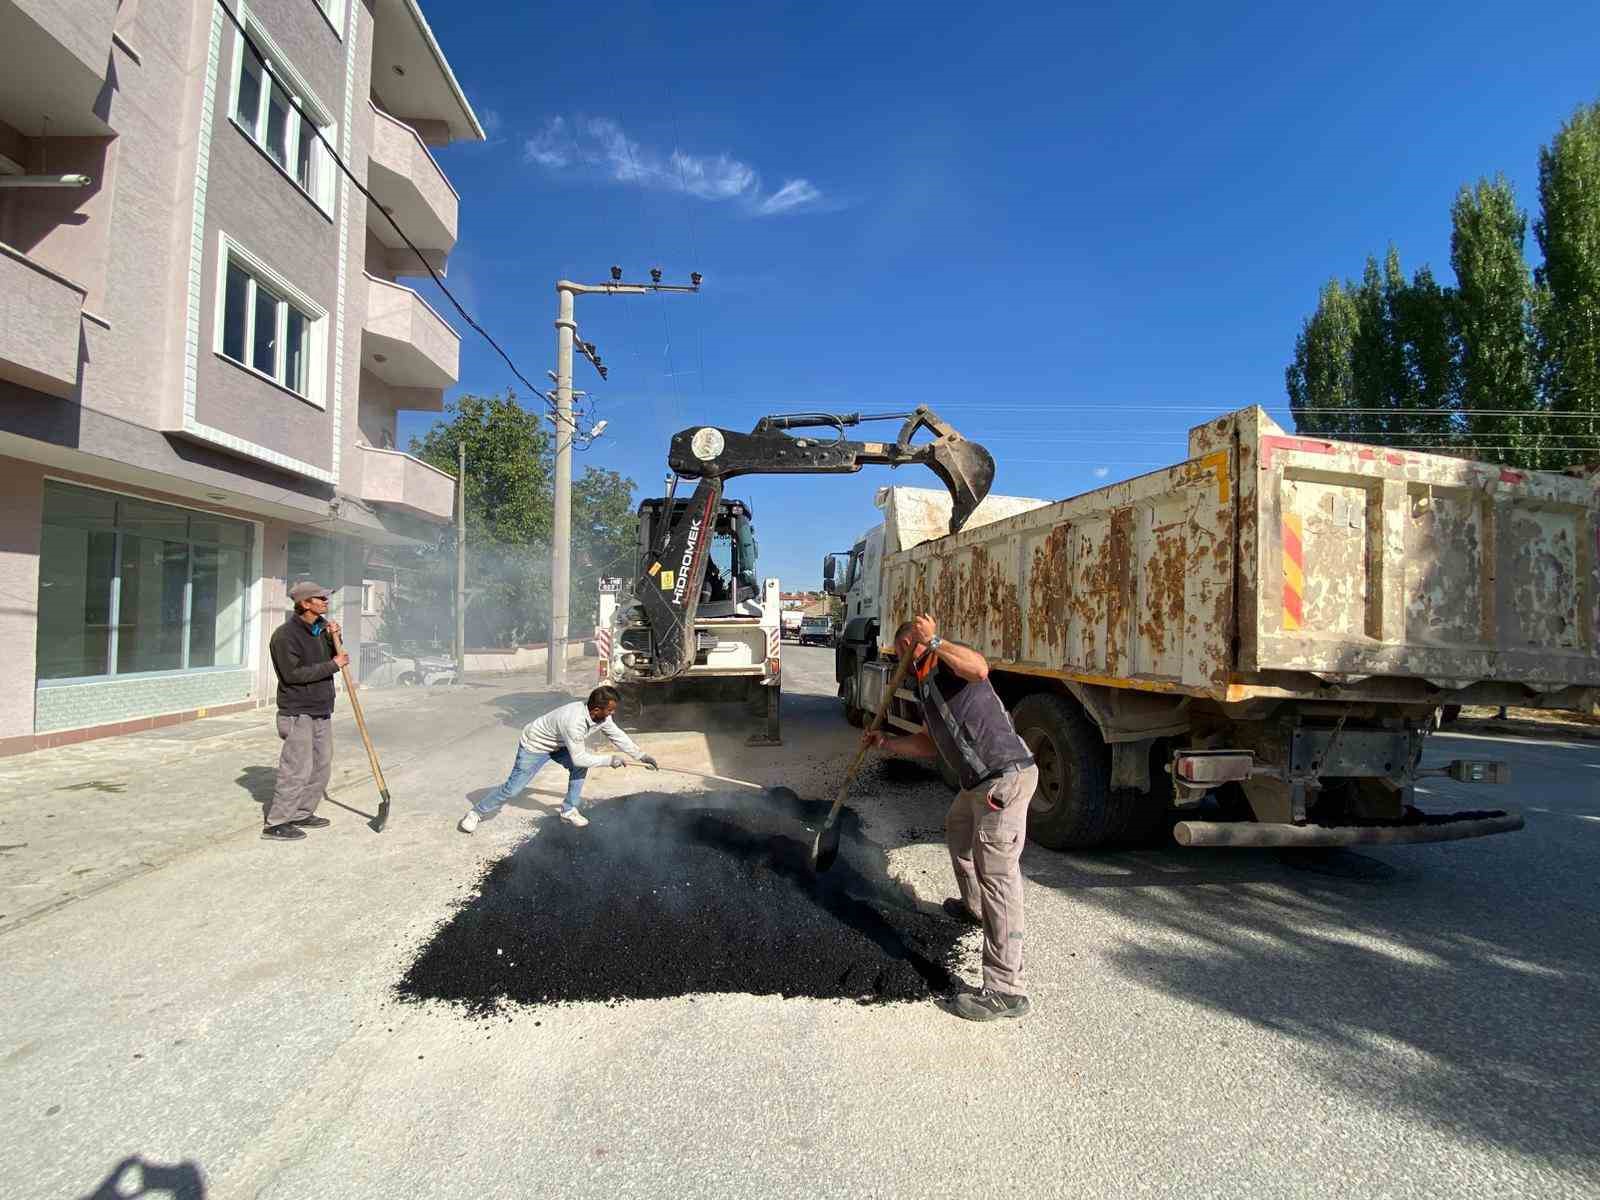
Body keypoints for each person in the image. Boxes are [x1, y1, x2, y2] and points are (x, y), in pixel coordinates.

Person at [862, 613, 1039, 1021]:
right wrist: (887, 742)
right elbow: (930, 743)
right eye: (900, 651)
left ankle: (1006, 990)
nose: (902, 656)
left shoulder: (949, 662)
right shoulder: (926, 688)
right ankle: (973, 907)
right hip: (976, 784)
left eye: (906, 647)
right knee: (957, 832)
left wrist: (936, 640)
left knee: (998, 876)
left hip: (1003, 779)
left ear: (916, 643)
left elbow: (980, 668)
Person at [459, 685, 659, 832]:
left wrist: (641, 755)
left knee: (579, 769)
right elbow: (580, 757)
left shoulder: (602, 717)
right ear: (596, 709)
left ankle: (568, 810)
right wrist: (609, 760)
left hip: (559, 744)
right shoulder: (574, 721)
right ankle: (476, 812)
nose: (612, 714)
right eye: (610, 710)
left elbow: (616, 734)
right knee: (514, 788)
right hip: (535, 745)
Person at [264, 581, 348, 842]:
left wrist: (336, 637)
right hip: (297, 710)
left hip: (321, 707)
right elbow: (292, 675)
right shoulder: (285, 636)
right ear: (304, 603)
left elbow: (336, 655)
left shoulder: (320, 629)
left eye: (326, 597)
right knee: (297, 768)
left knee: (321, 764)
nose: (326, 601)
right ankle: (277, 822)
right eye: (320, 598)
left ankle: (301, 813)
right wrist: (333, 665)